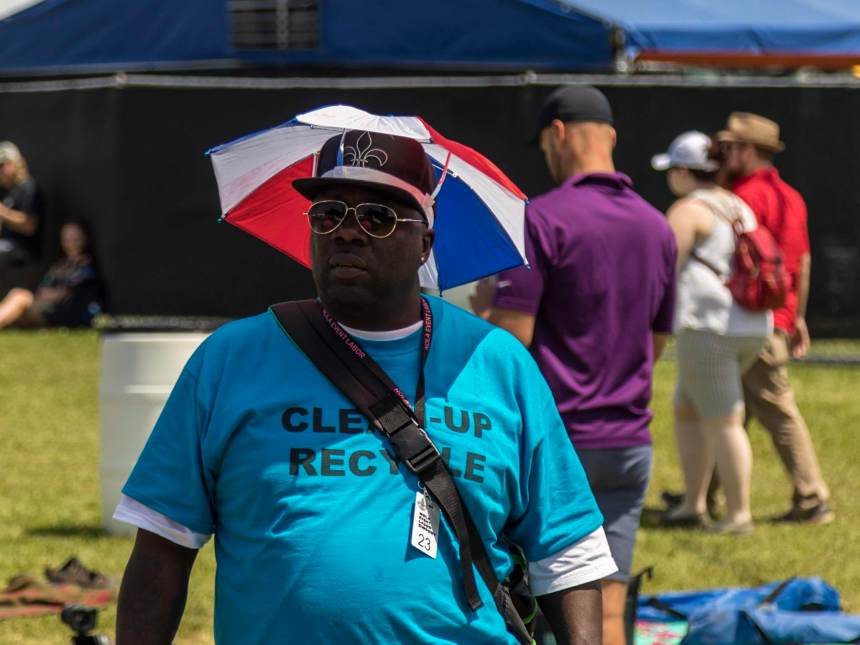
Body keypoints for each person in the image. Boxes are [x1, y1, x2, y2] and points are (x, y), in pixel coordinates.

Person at [114, 129, 617, 644]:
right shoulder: (229, 361)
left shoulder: (497, 363)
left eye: (378, 218)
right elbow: (162, 548)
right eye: (328, 214)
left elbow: (567, 552)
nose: (348, 232)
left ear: (425, 244)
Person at [486, 86, 676, 645]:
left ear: (558, 134)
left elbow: (511, 342)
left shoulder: (540, 219)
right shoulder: (657, 225)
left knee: (531, 611)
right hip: (628, 446)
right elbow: (658, 338)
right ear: (610, 137)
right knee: (605, 615)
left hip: (557, 447)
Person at [651, 131, 770, 534]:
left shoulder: (688, 209)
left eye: (672, 170)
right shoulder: (736, 204)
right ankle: (693, 502)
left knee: (725, 421)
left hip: (709, 328)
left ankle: (738, 516)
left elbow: (663, 268)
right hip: (749, 325)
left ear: (685, 171)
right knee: (688, 409)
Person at [718, 112, 833, 524]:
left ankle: (812, 495)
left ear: (749, 151)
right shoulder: (790, 196)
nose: (724, 155)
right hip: (778, 316)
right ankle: (702, 492)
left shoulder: (742, 197)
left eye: (730, 148)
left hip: (750, 320)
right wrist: (796, 317)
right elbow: (802, 262)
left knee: (774, 407)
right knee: (725, 407)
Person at [0, 219, 102, 328]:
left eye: (75, 236)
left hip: (63, 312)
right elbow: (43, 288)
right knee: (16, 308)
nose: (70, 240)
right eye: (67, 236)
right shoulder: (60, 264)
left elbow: (66, 293)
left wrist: (49, 295)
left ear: (85, 238)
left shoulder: (86, 265)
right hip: (44, 306)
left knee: (20, 296)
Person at [0, 141, 42, 294]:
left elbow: (29, 226)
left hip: (22, 252)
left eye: (2, 165)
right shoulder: (7, 191)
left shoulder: (28, 188)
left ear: (15, 163)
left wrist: (3, 212)